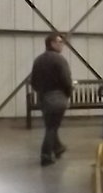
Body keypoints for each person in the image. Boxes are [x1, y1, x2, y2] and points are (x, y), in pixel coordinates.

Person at [30, 33, 73, 166]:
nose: (62, 45)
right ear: (52, 44)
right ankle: (46, 155)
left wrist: (42, 92)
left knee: (51, 125)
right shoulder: (59, 60)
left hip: (44, 98)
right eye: (59, 42)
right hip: (58, 97)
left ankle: (58, 148)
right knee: (52, 127)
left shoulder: (38, 60)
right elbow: (66, 79)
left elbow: (34, 82)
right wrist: (68, 93)